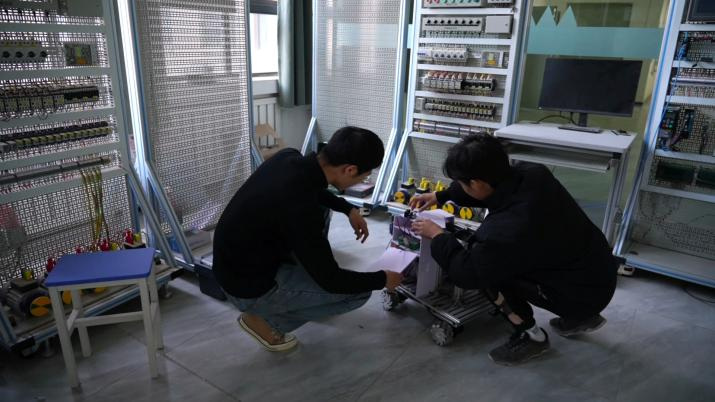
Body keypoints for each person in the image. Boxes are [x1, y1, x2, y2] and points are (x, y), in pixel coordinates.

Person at [409, 133, 618, 365]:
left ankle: (532, 336)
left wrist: (437, 236)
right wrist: (441, 195)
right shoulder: (533, 173)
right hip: (600, 274)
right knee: (515, 258)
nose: (461, 186)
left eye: (462, 182)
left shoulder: (505, 229)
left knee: (488, 273)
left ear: (476, 183)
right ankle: (581, 318)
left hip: (581, 296)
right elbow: (492, 191)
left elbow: (467, 273)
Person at [213, 126, 403, 352]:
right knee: (356, 294)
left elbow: (312, 188)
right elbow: (331, 280)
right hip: (247, 287)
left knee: (323, 209)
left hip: (232, 262)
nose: (364, 179)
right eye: (365, 175)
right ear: (350, 170)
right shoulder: (302, 210)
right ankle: (265, 322)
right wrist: (383, 279)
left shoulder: (289, 158)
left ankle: (303, 291)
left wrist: (348, 209)